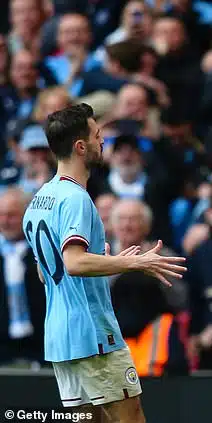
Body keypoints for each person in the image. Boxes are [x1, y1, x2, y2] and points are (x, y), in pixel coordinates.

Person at [21, 104, 187, 423]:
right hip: (93, 333)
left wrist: (105, 260)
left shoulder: (41, 198)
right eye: (98, 136)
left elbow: (46, 272)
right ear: (80, 147)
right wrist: (133, 264)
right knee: (131, 418)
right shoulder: (76, 199)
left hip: (60, 335)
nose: (103, 143)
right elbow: (74, 262)